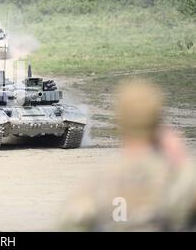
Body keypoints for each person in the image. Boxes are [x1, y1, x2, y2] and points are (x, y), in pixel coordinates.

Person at [56, 79, 196, 231]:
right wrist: (182, 164)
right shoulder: (180, 180)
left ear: (120, 120)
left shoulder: (95, 185)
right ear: (157, 121)